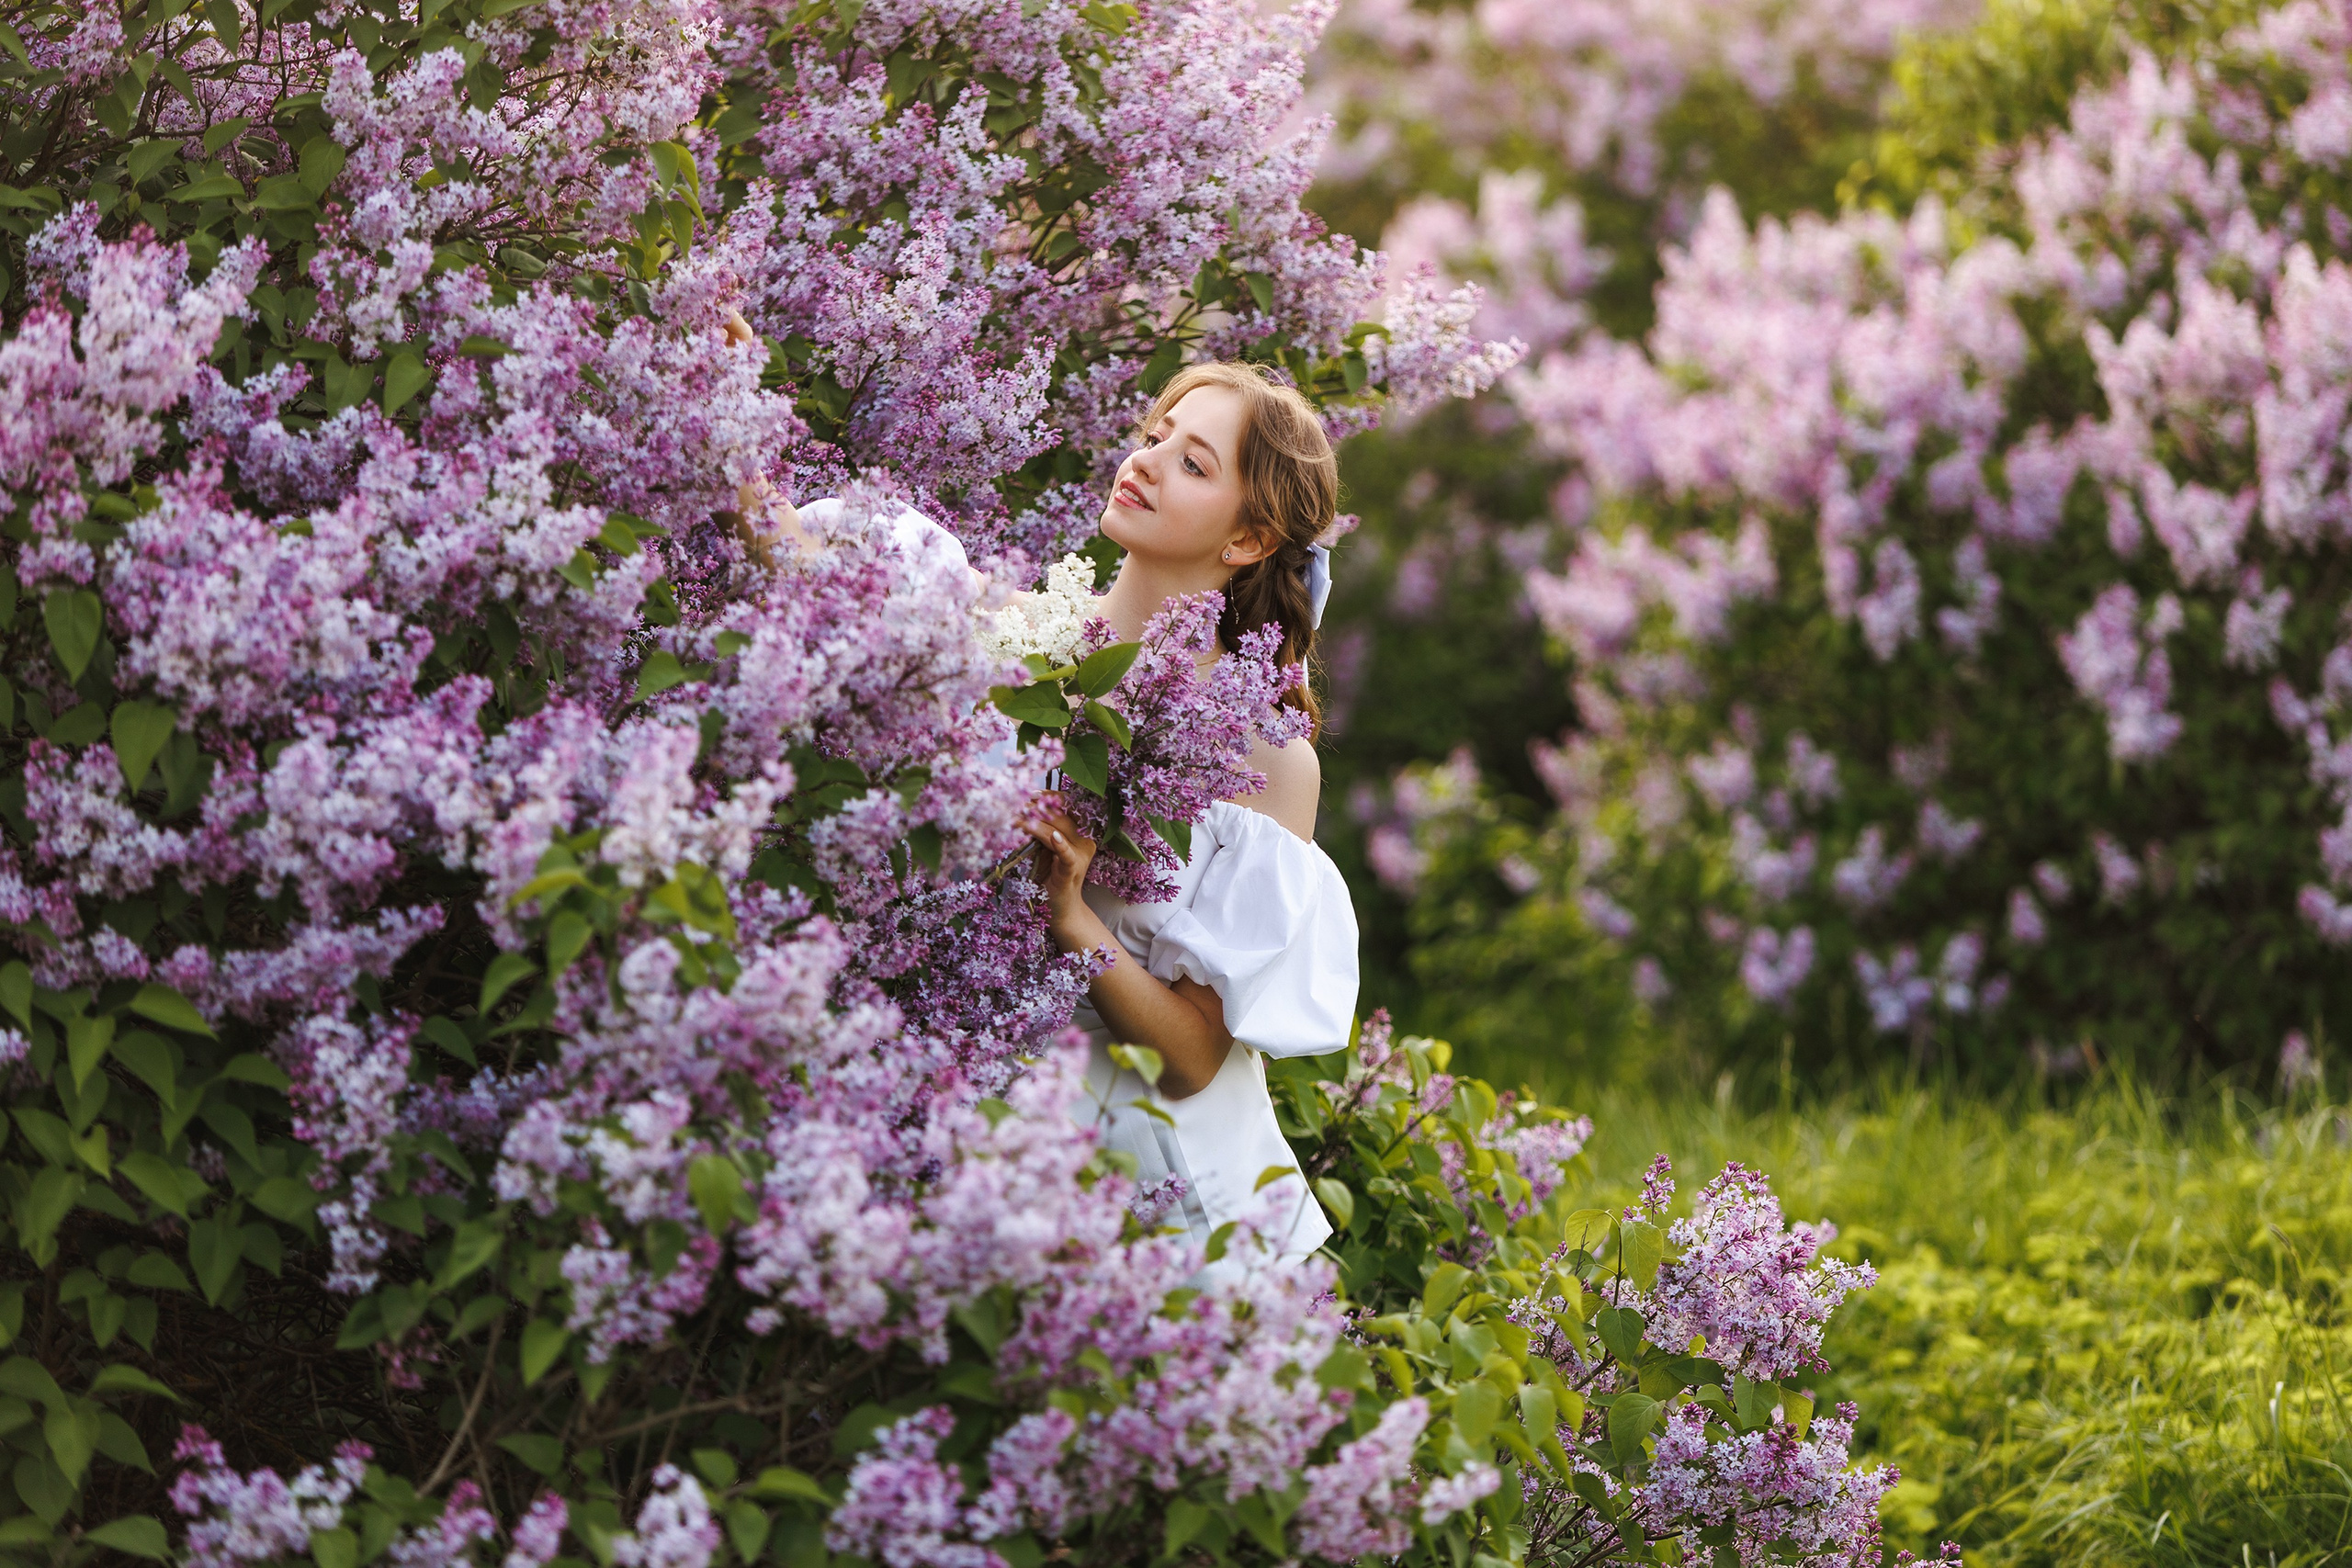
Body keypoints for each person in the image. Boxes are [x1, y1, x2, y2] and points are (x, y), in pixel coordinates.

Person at [1018, 363, 1358, 1273]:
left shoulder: (1266, 760)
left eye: (1194, 463)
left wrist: (1073, 919)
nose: (1150, 460)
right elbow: (808, 570)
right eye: (1157, 433)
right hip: (995, 1173)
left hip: (1180, 1220)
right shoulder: (1017, 640)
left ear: (1249, 538)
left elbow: (1194, 1058)